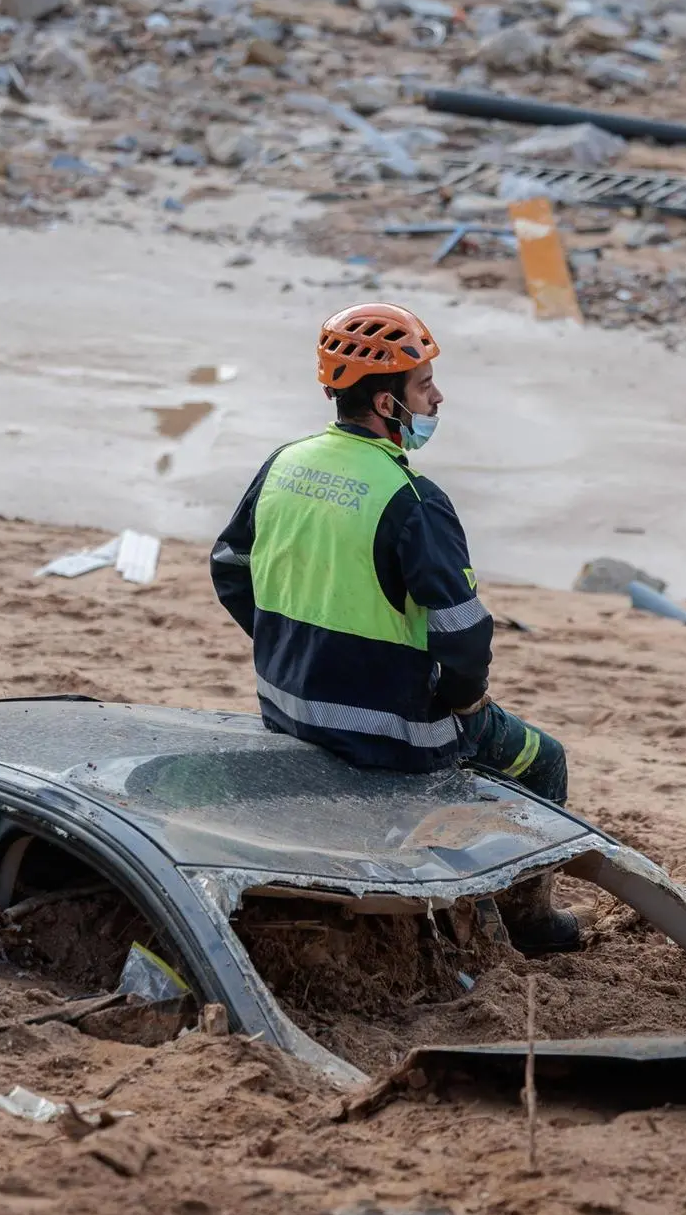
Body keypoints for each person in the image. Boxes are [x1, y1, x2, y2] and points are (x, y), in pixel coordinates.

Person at [209, 302, 579, 952]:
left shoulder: (284, 464)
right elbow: (463, 638)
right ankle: (530, 925)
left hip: (286, 709)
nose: (437, 396)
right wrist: (464, 700)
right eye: (424, 385)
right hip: (395, 735)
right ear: (387, 403)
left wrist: (293, 646)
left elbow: (229, 568)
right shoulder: (411, 500)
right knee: (543, 759)